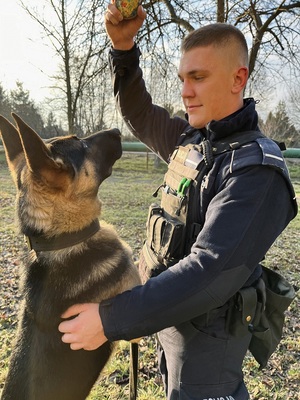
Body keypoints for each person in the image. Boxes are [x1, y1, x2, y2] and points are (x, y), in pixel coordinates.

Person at [58, 4, 297, 400]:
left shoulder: (257, 171)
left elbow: (210, 272)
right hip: (168, 319)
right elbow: (139, 112)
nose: (185, 91)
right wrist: (123, 48)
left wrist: (111, 319)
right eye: (183, 78)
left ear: (239, 78)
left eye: (199, 78)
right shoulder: (194, 141)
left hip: (209, 344)